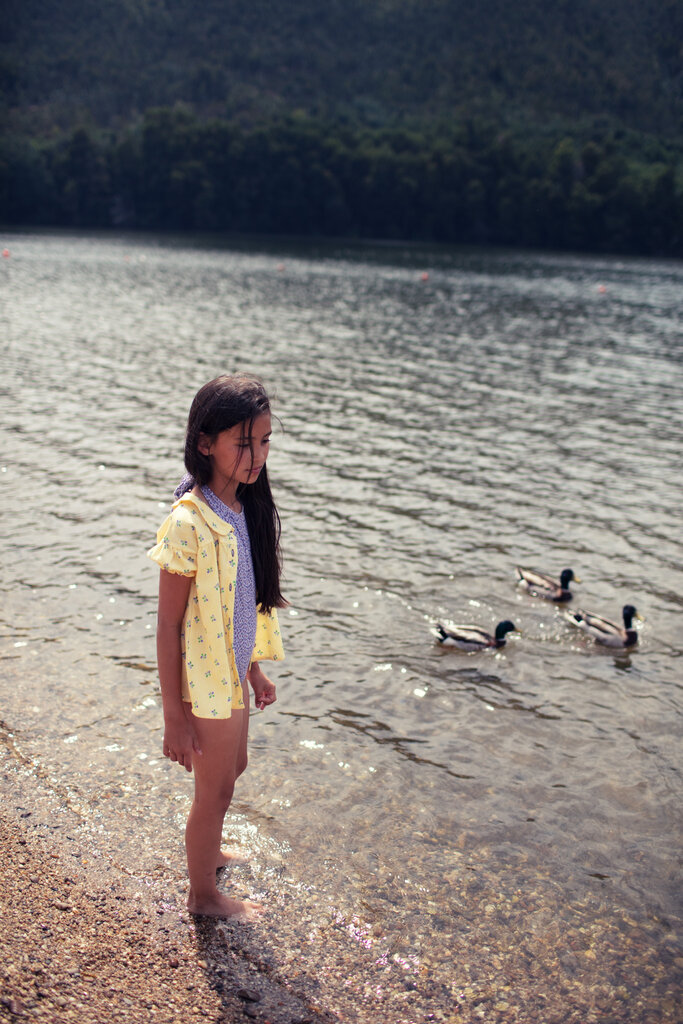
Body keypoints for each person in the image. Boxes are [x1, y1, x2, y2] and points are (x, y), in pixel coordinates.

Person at [148, 373, 285, 920]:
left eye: (265, 441)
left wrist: (254, 671)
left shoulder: (243, 509)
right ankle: (203, 896)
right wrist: (173, 717)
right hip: (202, 686)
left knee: (234, 771)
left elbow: (239, 604)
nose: (257, 456)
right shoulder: (188, 522)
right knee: (213, 794)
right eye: (243, 443)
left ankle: (211, 854)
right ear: (206, 443)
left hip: (230, 675)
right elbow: (167, 625)